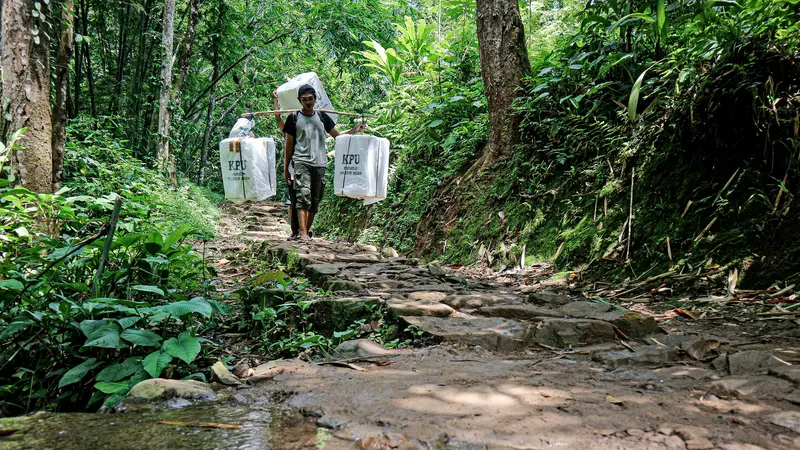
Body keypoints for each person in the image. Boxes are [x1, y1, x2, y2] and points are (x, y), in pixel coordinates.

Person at [281, 84, 365, 242]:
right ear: (299, 101)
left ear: (315, 99)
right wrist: (286, 169)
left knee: (315, 200)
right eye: (304, 99)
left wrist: (354, 130)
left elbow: (337, 136)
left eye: (310, 99)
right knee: (302, 197)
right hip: (301, 162)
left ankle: (305, 230)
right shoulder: (293, 118)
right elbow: (289, 146)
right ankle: (303, 233)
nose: (307, 102)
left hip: (320, 164)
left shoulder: (322, 117)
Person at [273, 91, 300, 239]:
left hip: (305, 167)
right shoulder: (289, 130)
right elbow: (278, 118)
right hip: (292, 168)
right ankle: (294, 230)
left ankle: (302, 230)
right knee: (292, 201)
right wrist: (276, 100)